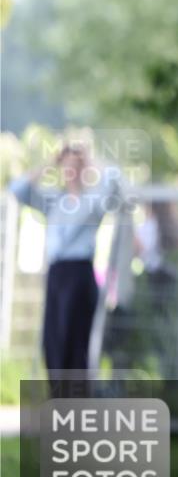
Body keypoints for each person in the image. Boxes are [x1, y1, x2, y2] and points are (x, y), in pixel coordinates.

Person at [7, 145, 123, 386]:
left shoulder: (93, 200)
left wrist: (89, 160)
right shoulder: (54, 202)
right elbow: (16, 189)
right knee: (53, 340)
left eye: (75, 165)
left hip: (79, 273)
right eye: (67, 165)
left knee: (75, 340)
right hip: (56, 274)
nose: (71, 169)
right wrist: (51, 162)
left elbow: (115, 180)